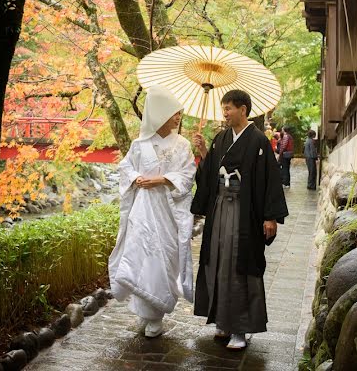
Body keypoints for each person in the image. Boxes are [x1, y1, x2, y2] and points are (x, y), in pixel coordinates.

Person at [191, 89, 289, 350]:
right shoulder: (221, 138)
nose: (225, 112)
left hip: (245, 211)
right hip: (220, 207)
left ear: (243, 109)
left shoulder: (258, 140)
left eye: (229, 108)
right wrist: (202, 151)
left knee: (239, 264)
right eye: (223, 108)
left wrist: (271, 216)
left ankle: (240, 329)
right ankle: (222, 321)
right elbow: (210, 173)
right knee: (218, 259)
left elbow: (270, 178)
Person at [108, 85, 197, 338]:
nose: (178, 117)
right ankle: (147, 313)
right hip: (144, 209)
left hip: (167, 210)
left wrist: (161, 180)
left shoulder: (183, 145)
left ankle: (156, 313)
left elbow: (188, 174)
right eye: (173, 113)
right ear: (159, 114)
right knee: (142, 254)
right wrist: (136, 178)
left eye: (179, 113)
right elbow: (125, 168)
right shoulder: (139, 144)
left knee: (164, 256)